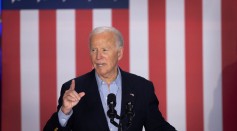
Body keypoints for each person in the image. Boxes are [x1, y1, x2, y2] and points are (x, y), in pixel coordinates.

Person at [44, 26, 176, 131]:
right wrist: (65, 111)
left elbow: (158, 127)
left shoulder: (142, 88)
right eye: (93, 50)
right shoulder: (73, 89)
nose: (98, 57)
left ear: (119, 53)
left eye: (104, 50)